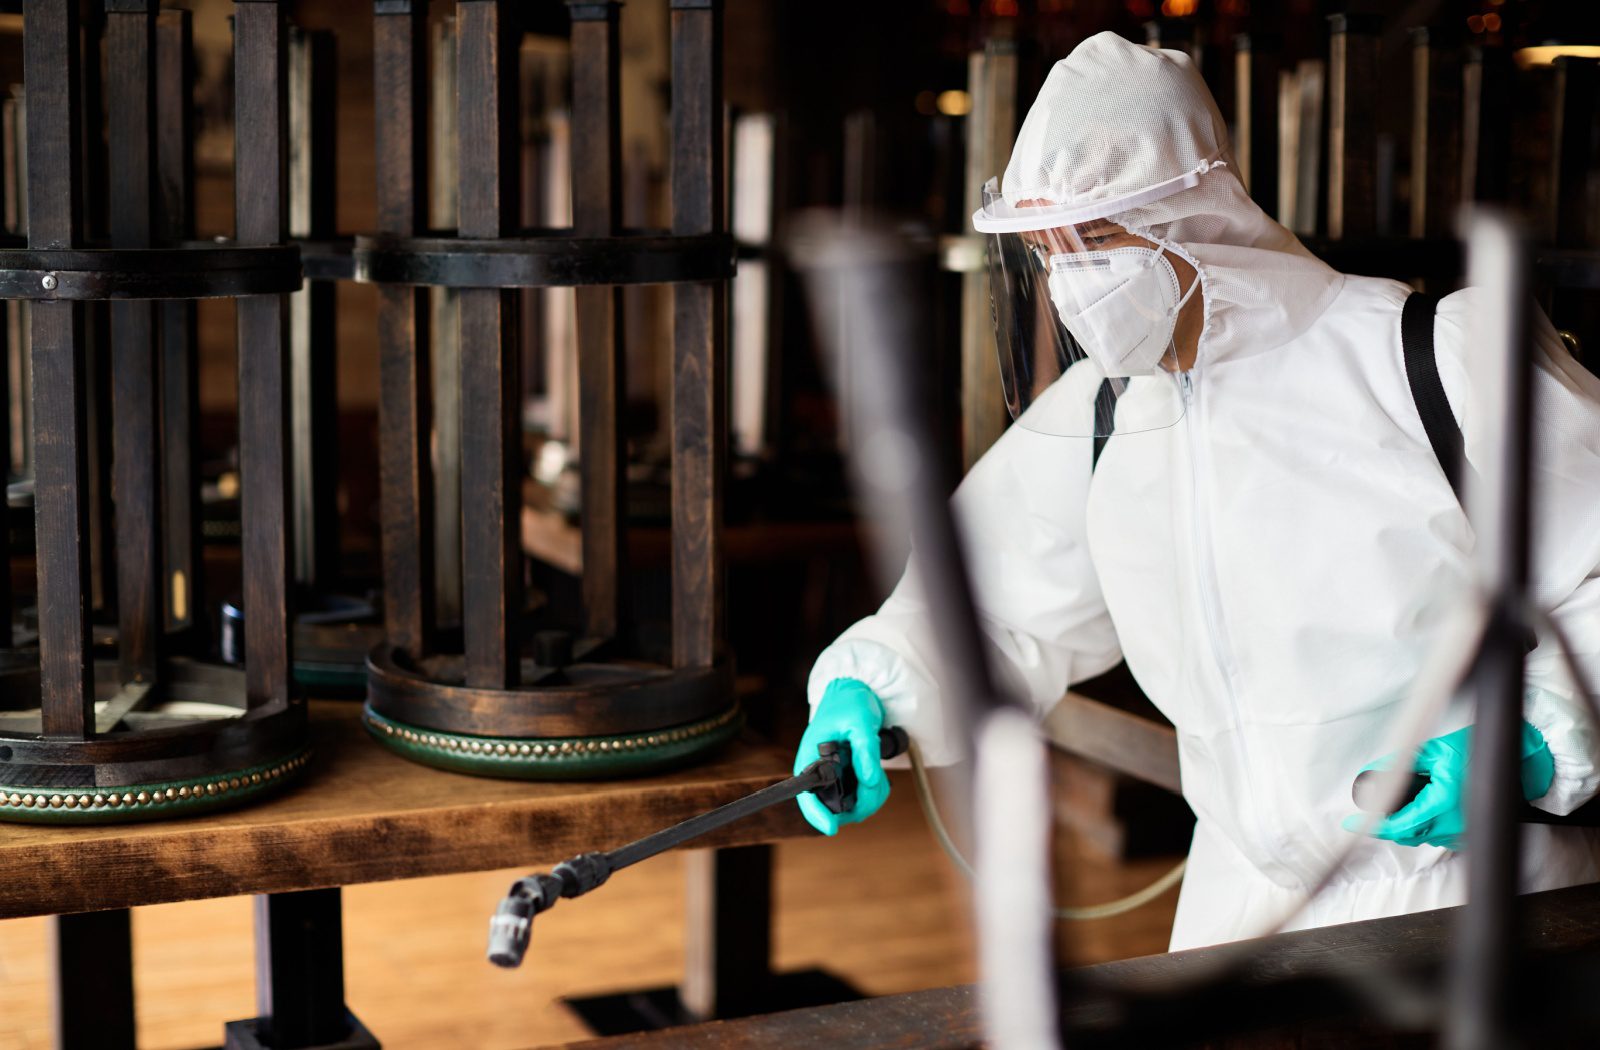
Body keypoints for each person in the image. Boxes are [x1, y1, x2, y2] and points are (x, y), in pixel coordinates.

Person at [793, 31, 1600, 951]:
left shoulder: (1429, 362)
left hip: (1467, 889)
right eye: (1047, 247)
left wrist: (1530, 733)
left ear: (1195, 215)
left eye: (1095, 238)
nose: (1070, 280)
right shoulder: (1100, 418)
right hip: (1244, 896)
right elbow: (996, 608)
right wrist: (877, 687)